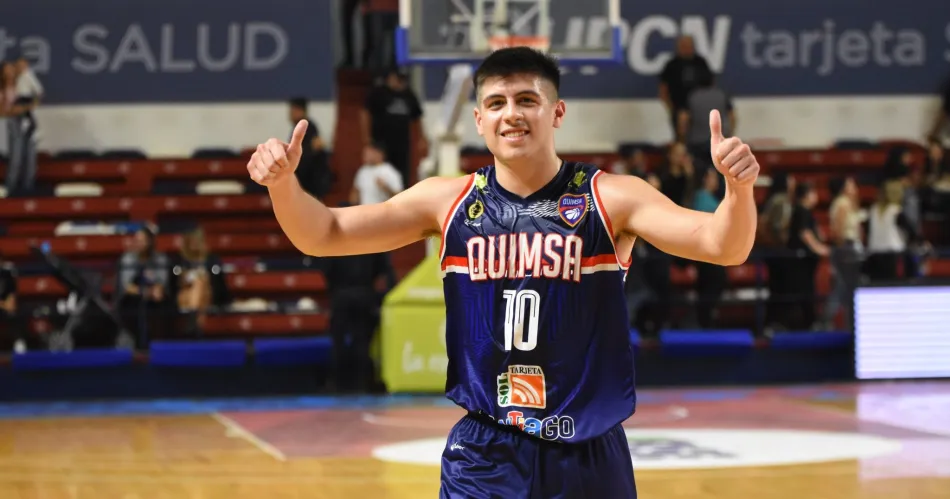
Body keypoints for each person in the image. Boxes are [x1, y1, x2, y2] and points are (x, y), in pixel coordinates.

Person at [246, 47, 760, 498]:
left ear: (557, 112)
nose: (511, 114)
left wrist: (738, 191)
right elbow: (325, 233)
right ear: (478, 119)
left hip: (587, 448)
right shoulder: (448, 201)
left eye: (526, 100)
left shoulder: (609, 197)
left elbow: (723, 246)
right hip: (486, 450)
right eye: (496, 103)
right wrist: (283, 186)